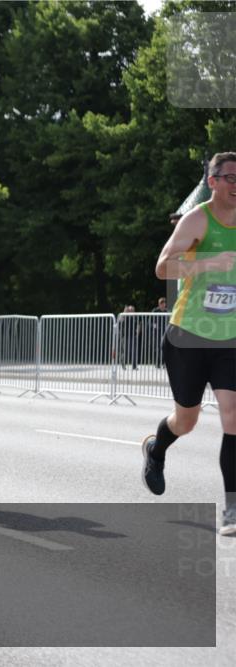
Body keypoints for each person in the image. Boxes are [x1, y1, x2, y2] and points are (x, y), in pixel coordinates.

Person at [141, 151, 236, 537]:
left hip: (230, 337)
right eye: (230, 177)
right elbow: (163, 267)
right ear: (212, 182)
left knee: (233, 414)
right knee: (187, 420)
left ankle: (232, 507)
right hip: (189, 336)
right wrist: (208, 263)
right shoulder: (199, 219)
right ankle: (156, 449)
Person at [151, 297, 169, 368]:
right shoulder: (155, 311)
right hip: (157, 332)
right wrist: (153, 325)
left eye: (164, 303)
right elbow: (150, 321)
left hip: (165, 331)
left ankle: (164, 363)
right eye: (161, 303)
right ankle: (157, 363)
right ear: (159, 304)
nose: (163, 305)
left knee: (165, 347)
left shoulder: (167, 311)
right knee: (157, 348)